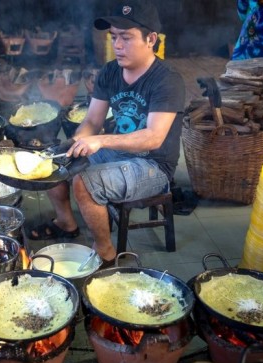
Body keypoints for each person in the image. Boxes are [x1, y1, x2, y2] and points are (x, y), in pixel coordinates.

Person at [27, 0, 185, 265]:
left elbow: (154, 137)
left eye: (126, 37)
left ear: (151, 39)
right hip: (118, 151)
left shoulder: (167, 79)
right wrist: (75, 144)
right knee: (53, 162)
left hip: (153, 165)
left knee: (84, 183)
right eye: (113, 37)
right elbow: (91, 120)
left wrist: (99, 141)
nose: (117, 45)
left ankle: (106, 253)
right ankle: (66, 222)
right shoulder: (111, 71)